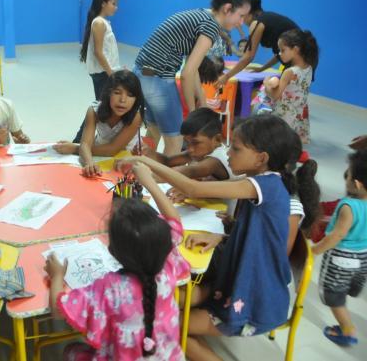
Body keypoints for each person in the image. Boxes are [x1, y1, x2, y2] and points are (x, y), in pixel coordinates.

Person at [117, 115, 305, 361]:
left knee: (162, 326)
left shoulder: (264, 185)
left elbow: (193, 187)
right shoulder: (267, 182)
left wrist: (145, 166)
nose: (228, 155)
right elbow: (263, 235)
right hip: (243, 286)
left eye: (235, 149)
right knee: (165, 305)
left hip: (255, 300)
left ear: (262, 158)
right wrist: (222, 235)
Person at [45, 167, 190, 360]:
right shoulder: (167, 263)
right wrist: (150, 183)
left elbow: (58, 309)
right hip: (168, 356)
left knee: (70, 351)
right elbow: (174, 220)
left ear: (112, 250)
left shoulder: (111, 287)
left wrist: (57, 276)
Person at [134, 0, 250, 155]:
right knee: (175, 140)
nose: (241, 22)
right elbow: (187, 73)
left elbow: (192, 68)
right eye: (240, 16)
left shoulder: (202, 15)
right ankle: (159, 179)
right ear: (227, 9)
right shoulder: (211, 26)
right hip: (158, 78)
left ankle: (139, 169)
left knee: (154, 130)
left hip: (142, 74)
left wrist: (202, 99)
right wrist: (193, 113)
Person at [312, 149, 367, 347]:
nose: (346, 177)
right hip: (363, 258)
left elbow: (338, 235)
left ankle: (347, 329)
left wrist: (315, 250)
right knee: (348, 286)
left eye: (348, 174)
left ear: (357, 183)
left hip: (342, 259)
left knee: (334, 296)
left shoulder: (348, 206)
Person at [53, 70, 144, 177]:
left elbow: (112, 149)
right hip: (100, 151)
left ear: (136, 99)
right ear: (108, 93)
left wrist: (75, 148)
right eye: (117, 92)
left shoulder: (136, 116)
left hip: (126, 157)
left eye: (130, 95)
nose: (123, 100)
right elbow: (86, 144)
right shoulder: (93, 110)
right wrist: (89, 163)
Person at [218, 0, 300, 86]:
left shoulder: (257, 23)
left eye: (243, 17)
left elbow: (248, 56)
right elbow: (279, 55)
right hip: (307, 61)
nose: (242, 22)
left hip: (297, 64)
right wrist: (262, 68)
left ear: (251, 14)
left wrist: (226, 76)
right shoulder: (269, 18)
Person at [263, 29, 319, 144]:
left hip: (285, 113)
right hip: (299, 111)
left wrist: (266, 84)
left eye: (282, 50)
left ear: (295, 49)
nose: (279, 53)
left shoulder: (290, 72)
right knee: (291, 141)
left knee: (278, 141)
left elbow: (275, 95)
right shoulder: (309, 67)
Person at [80, 0, 120, 100]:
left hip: (105, 71)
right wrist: (111, 74)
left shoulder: (103, 22)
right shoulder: (99, 23)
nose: (116, 7)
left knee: (103, 105)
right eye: (113, 3)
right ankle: (90, 118)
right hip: (103, 73)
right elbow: (98, 52)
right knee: (103, 106)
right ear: (103, 3)